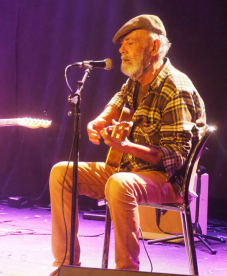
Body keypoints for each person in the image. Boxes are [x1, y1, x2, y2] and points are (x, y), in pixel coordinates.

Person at [50, 15, 206, 271]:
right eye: (122, 43)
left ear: (154, 47)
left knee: (120, 184)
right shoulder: (137, 80)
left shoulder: (176, 87)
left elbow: (176, 157)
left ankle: (126, 271)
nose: (121, 49)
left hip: (167, 180)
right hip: (129, 171)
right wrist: (99, 121)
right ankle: (65, 266)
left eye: (130, 42)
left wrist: (125, 146)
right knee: (62, 172)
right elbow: (118, 100)